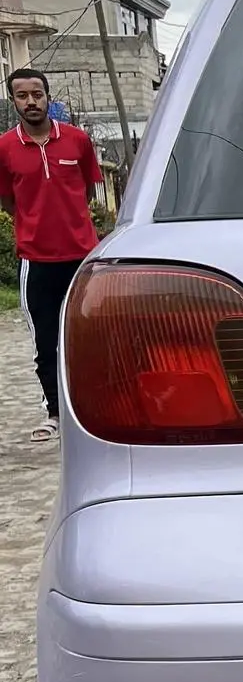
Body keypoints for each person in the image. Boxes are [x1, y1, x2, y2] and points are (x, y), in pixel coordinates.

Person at [0, 67, 103, 443]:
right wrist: (35, 224)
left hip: (83, 260)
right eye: (23, 96)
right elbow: (9, 200)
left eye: (37, 94)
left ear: (47, 96)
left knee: (93, 338)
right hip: (37, 261)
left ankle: (98, 412)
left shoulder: (77, 141)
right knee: (47, 343)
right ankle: (56, 414)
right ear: (14, 101)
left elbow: (88, 193)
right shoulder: (4, 148)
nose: (31, 102)